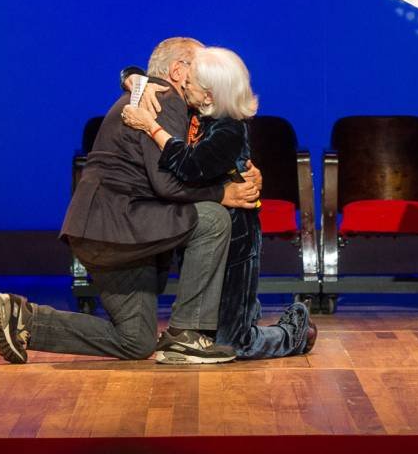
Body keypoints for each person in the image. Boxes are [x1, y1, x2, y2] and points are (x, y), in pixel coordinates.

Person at [0, 37, 262, 365]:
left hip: (101, 234)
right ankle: (187, 335)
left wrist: (237, 173)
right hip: (121, 228)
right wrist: (223, 194)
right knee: (212, 218)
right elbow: (169, 184)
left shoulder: (151, 95)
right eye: (199, 65)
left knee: (135, 340)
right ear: (179, 71)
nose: (204, 75)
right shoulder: (164, 99)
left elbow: (195, 160)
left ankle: (26, 321)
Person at [122, 47, 316, 359]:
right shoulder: (200, 112)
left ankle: (292, 333)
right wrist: (132, 78)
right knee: (215, 326)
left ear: (210, 95)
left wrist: (151, 127)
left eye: (193, 81)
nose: (185, 84)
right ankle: (243, 318)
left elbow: (189, 165)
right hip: (208, 227)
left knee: (234, 341)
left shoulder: (229, 128)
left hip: (236, 235)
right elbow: (143, 75)